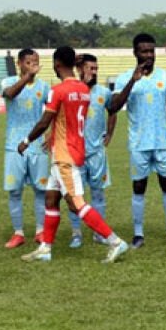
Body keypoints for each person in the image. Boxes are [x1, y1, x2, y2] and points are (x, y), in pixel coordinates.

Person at [19, 47, 130, 264]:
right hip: (73, 149)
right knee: (51, 199)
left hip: (64, 154)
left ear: (56, 64)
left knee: (76, 202)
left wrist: (26, 141)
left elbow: (45, 121)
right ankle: (45, 248)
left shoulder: (57, 90)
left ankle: (115, 241)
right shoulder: (83, 89)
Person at [109, 32, 166, 248]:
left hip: (162, 143)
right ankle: (138, 234)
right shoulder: (125, 78)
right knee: (139, 187)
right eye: (144, 51)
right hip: (139, 144)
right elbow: (114, 107)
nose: (149, 55)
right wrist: (132, 82)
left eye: (151, 51)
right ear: (135, 52)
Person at [1, 48, 50, 248]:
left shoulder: (44, 86)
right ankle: (18, 233)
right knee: (14, 191)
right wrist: (27, 77)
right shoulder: (8, 82)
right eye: (29, 62)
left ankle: (40, 231)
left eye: (36, 61)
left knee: (41, 190)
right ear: (20, 63)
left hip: (38, 145)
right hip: (14, 145)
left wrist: (51, 132)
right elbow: (10, 94)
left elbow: (54, 111)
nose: (33, 65)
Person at [66, 54, 116, 248]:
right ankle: (76, 233)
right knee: (75, 195)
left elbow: (113, 111)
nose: (94, 72)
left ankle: (99, 233)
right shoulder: (73, 91)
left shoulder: (103, 92)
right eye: (90, 68)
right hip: (74, 151)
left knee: (98, 194)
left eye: (96, 69)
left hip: (96, 152)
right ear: (80, 69)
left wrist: (109, 133)